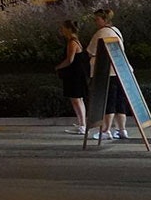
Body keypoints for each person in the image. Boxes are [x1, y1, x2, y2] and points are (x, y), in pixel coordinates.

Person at [86, 8, 130, 140]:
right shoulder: (116, 31)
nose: (95, 22)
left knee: (108, 101)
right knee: (119, 102)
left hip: (106, 72)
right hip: (121, 71)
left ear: (104, 19)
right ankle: (122, 129)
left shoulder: (101, 33)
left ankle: (106, 130)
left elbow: (91, 51)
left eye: (97, 19)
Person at [54, 19, 90, 134]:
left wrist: (58, 67)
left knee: (76, 99)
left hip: (74, 74)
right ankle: (81, 123)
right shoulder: (75, 41)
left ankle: (82, 125)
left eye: (63, 28)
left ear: (68, 29)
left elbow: (70, 60)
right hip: (77, 73)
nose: (61, 31)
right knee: (78, 99)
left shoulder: (72, 42)